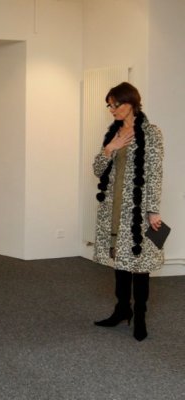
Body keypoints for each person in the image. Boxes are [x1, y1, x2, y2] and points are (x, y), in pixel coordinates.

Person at [92, 82, 164, 341]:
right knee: (120, 262)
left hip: (137, 210)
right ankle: (122, 309)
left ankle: (140, 316)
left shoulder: (151, 133)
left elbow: (155, 174)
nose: (112, 109)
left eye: (116, 104)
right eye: (109, 105)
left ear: (131, 103)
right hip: (113, 208)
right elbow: (98, 170)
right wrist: (109, 149)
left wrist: (153, 211)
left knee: (140, 264)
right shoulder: (113, 133)